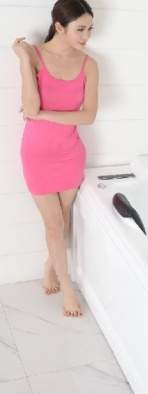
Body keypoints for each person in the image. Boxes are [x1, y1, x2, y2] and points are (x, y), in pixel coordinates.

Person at [12, 0, 98, 317]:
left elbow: (88, 116)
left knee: (63, 220)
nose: (86, 36)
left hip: (70, 153)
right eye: (80, 29)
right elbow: (29, 107)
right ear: (59, 27)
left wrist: (45, 115)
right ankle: (67, 287)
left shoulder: (89, 64)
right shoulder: (34, 56)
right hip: (37, 154)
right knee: (54, 225)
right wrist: (24, 59)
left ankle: (50, 264)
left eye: (90, 29)